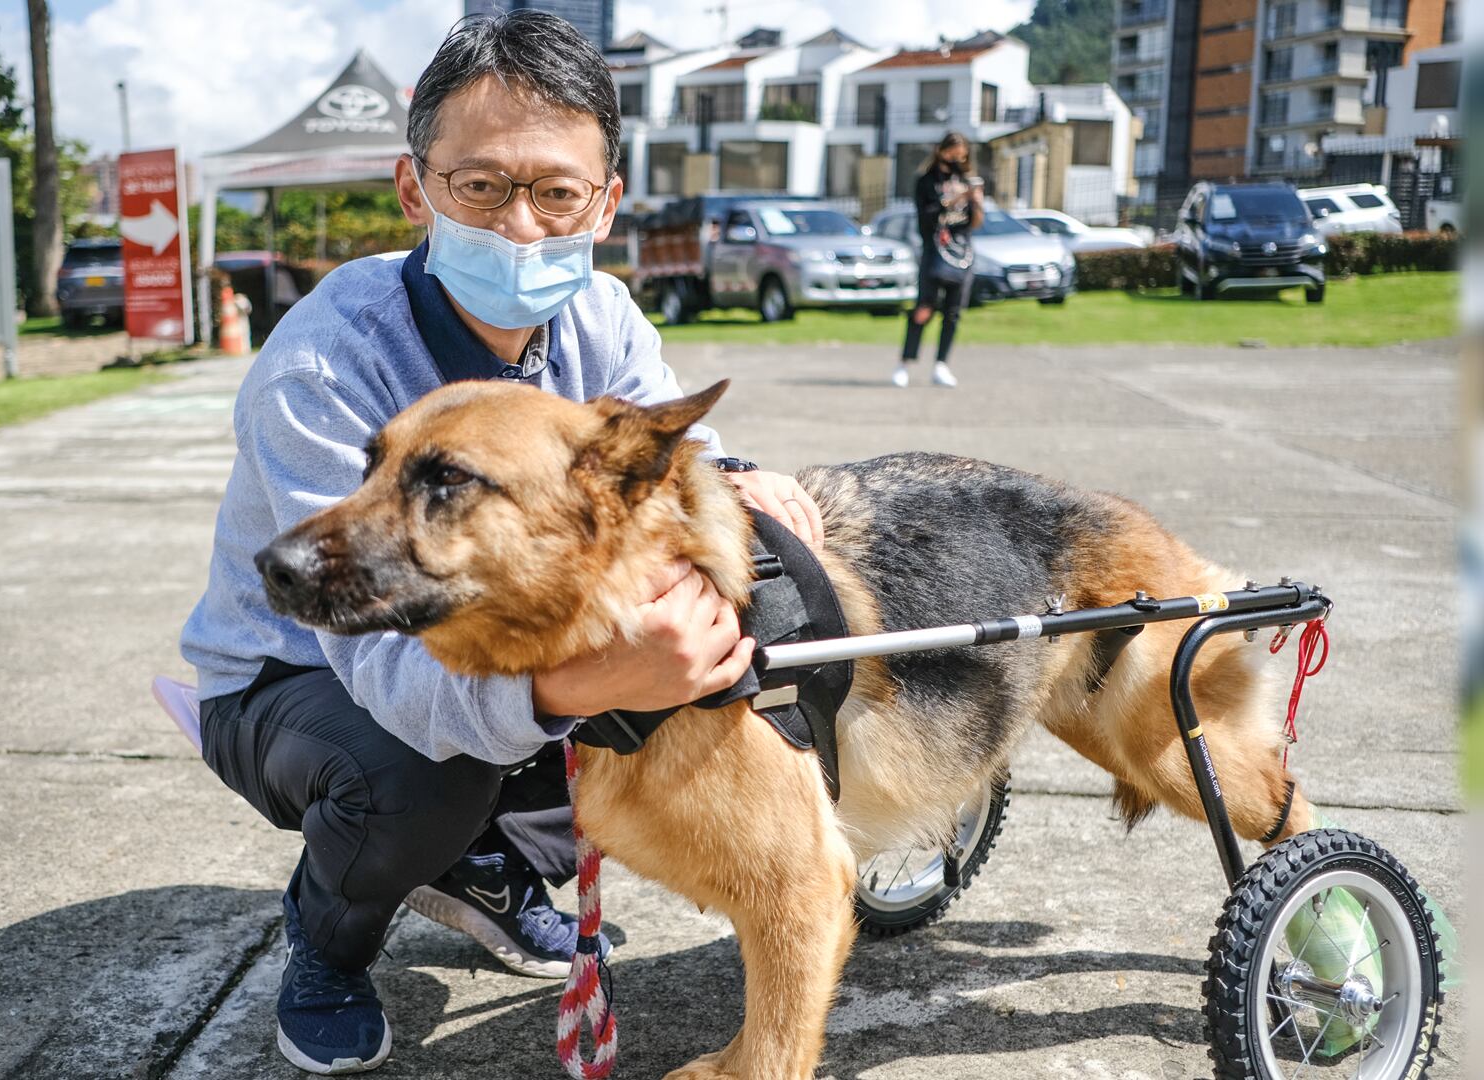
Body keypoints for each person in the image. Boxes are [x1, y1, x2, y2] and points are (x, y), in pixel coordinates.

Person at [178, 12, 826, 1075]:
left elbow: (669, 441)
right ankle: (329, 941)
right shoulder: (325, 367)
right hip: (300, 671)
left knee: (640, 661)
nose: (521, 225)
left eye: (556, 191)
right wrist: (589, 686)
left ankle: (490, 870)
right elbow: (374, 657)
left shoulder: (600, 316)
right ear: (414, 189)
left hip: (465, 627)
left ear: (605, 203)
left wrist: (746, 475)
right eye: (479, 186)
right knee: (419, 770)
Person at [893, 132, 983, 389]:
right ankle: (905, 362)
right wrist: (955, 199)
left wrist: (976, 203)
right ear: (941, 150)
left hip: (961, 254)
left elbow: (974, 223)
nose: (956, 158)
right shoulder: (927, 181)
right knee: (924, 309)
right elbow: (927, 217)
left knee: (953, 314)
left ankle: (941, 365)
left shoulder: (965, 179)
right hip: (935, 253)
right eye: (952, 153)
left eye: (961, 154)